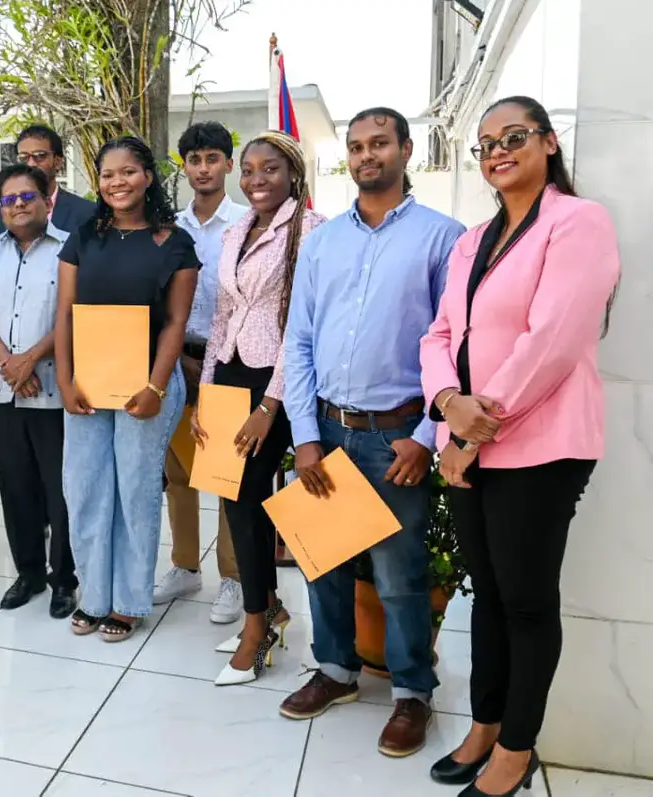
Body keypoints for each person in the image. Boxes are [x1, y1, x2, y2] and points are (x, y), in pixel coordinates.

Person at [421, 96, 620, 797]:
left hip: (541, 446)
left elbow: (554, 341)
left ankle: (515, 748)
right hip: (466, 440)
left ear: (549, 142)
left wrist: (473, 430)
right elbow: (439, 335)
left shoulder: (577, 223)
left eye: (514, 136)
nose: (498, 150)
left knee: (527, 602)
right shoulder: (473, 240)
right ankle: (484, 722)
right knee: (488, 595)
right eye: (486, 143)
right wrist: (448, 404)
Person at [279, 107, 465, 757]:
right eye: (356, 146)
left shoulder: (444, 238)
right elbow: (298, 341)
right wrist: (304, 435)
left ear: (406, 149)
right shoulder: (324, 241)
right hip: (329, 427)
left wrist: (426, 434)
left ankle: (412, 691)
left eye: (379, 143)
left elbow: (459, 347)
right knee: (322, 559)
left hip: (397, 439)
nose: (366, 155)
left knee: (399, 574)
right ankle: (335, 670)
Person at [194, 130, 326, 684]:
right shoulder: (235, 231)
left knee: (250, 499)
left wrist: (270, 405)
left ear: (292, 173)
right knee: (233, 500)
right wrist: (206, 389)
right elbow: (224, 312)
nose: (255, 180)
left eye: (268, 169)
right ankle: (266, 607)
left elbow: (302, 325)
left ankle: (257, 624)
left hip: (275, 382)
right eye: (248, 170)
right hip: (228, 370)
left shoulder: (311, 230)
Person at [55, 136, 198, 642]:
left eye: (129, 171)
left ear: (148, 177)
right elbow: (65, 314)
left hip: (147, 387)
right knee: (87, 489)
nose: (118, 182)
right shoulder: (82, 237)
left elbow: (176, 323)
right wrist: (65, 378)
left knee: (135, 494)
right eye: (108, 174)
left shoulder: (174, 242)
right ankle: (93, 596)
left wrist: (156, 387)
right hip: (88, 386)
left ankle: (129, 600)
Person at [0, 163, 77, 619]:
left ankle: (63, 579)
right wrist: (10, 365)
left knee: (60, 489)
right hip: (6, 390)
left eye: (26, 197)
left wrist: (29, 359)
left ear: (47, 200)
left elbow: (71, 316)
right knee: (16, 488)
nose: (17, 206)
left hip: (54, 390)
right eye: (9, 199)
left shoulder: (69, 248)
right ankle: (28, 572)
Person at [153, 121, 247, 624]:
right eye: (194, 160)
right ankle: (185, 566)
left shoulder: (248, 221)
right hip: (175, 359)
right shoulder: (169, 225)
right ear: (184, 167)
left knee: (226, 474)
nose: (203, 168)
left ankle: (232, 575)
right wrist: (176, 361)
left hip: (229, 360)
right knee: (179, 472)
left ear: (228, 165)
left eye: (213, 158)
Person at [0, 123, 96, 241]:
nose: (31, 163)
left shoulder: (86, 213)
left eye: (40, 156)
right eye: (24, 157)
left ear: (58, 162)